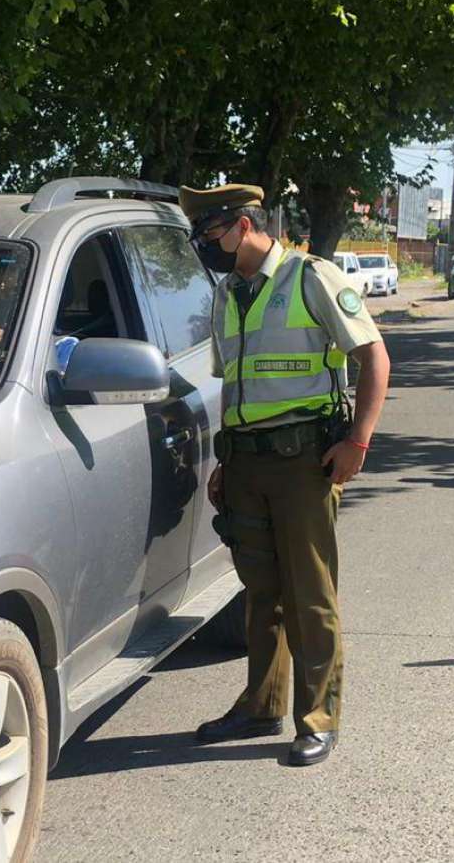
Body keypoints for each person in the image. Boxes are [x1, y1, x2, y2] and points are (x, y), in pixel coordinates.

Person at [181, 183, 390, 767]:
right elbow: (234, 381)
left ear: (245, 225)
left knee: (310, 594)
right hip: (246, 461)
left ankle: (318, 717)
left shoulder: (309, 277)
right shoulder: (227, 293)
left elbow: (374, 357)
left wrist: (358, 442)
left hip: (304, 460)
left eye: (211, 233)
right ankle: (262, 704)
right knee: (260, 592)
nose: (206, 246)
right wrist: (226, 460)